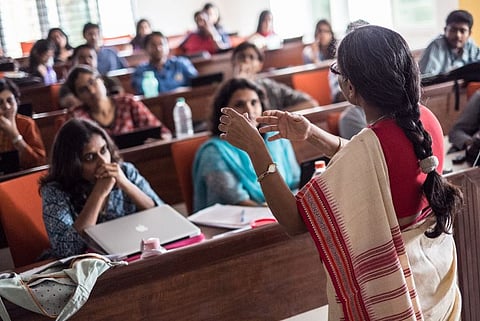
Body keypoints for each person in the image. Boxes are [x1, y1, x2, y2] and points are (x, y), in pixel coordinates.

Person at [219, 25, 463, 320]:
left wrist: (257, 150)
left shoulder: (368, 149)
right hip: (432, 282)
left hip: (398, 294)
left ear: (350, 87)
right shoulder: (425, 120)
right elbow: (376, 159)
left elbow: (296, 220)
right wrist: (311, 133)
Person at [40, 118, 163, 258]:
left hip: (131, 253)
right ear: (72, 164)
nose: (103, 162)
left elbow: (161, 214)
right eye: (90, 157)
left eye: (104, 150)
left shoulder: (126, 171)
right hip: (87, 267)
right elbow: (68, 250)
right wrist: (98, 193)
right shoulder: (54, 191)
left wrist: (125, 183)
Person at [192, 78, 299, 212]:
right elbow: (234, 199)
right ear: (224, 113)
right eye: (239, 104)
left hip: (285, 213)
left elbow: (296, 181)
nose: (249, 110)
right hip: (243, 222)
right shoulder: (214, 151)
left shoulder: (276, 137)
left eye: (254, 102)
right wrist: (274, 211)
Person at [64, 65, 170, 138]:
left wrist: (160, 139)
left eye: (92, 82)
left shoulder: (127, 102)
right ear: (78, 97)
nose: (91, 91)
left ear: (102, 80)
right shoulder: (76, 116)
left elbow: (163, 133)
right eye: (83, 90)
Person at [232, 41, 317, 111]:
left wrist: (277, 117)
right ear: (233, 62)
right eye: (241, 57)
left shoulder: (270, 87)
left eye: (251, 57)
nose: (246, 61)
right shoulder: (226, 91)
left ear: (260, 65)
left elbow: (311, 103)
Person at [131, 31, 198, 95]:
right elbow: (141, 91)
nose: (158, 48)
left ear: (168, 46)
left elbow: (197, 84)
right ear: (146, 49)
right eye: (153, 45)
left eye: (161, 44)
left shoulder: (181, 64)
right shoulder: (140, 71)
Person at [59, 44, 124, 109]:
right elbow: (71, 103)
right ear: (74, 61)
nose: (87, 61)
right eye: (82, 57)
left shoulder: (110, 81)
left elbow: (119, 99)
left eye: (90, 57)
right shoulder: (67, 86)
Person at [0, 78, 46, 169]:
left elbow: (39, 162)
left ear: (16, 102)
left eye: (10, 101)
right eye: (0, 103)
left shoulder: (27, 124)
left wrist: (15, 136)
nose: (6, 107)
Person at [419, 9, 480, 76]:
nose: (458, 35)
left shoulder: (470, 45)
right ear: (445, 30)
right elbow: (426, 80)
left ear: (469, 34)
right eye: (453, 30)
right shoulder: (436, 46)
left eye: (462, 31)